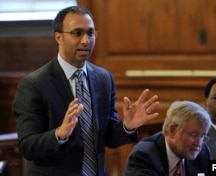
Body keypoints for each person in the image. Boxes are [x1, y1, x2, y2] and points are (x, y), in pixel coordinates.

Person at [12, 6, 160, 176]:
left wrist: (127, 126)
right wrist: (60, 134)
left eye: (90, 33)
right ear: (58, 37)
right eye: (77, 33)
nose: (85, 40)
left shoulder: (104, 79)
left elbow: (108, 137)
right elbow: (27, 146)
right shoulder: (33, 85)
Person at [123, 100, 212, 176]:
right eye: (193, 135)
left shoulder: (202, 153)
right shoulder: (143, 156)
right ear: (172, 130)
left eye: (202, 136)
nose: (199, 144)